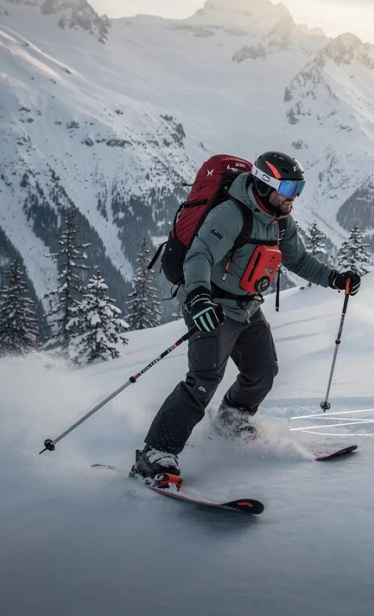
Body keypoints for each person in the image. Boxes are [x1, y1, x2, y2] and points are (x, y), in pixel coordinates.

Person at [134, 151, 362, 479]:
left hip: (247, 306)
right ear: (266, 183)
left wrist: (334, 278)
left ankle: (231, 421)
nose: (293, 197)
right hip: (211, 305)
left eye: (299, 189)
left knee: (263, 371)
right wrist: (198, 297)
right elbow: (198, 256)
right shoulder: (230, 214)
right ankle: (156, 452)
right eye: (288, 189)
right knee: (203, 381)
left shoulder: (280, 219)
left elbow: (297, 259)